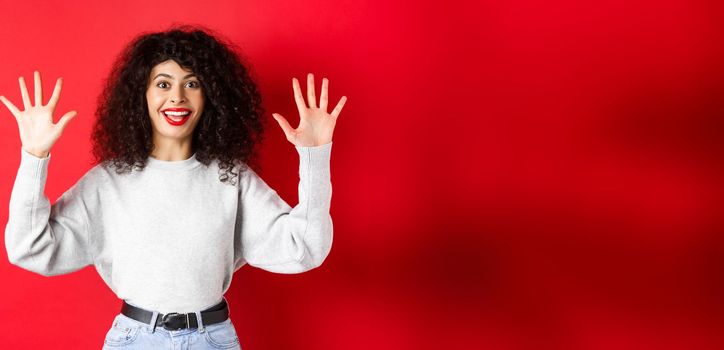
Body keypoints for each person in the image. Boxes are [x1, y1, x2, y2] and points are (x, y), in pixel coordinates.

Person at [0, 25, 347, 349]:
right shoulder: (108, 181)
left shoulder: (230, 177)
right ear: (142, 95)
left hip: (213, 338)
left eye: (192, 83)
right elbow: (28, 248)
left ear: (210, 96)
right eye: (163, 84)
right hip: (135, 340)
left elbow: (305, 248)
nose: (177, 97)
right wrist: (34, 155)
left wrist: (315, 156)